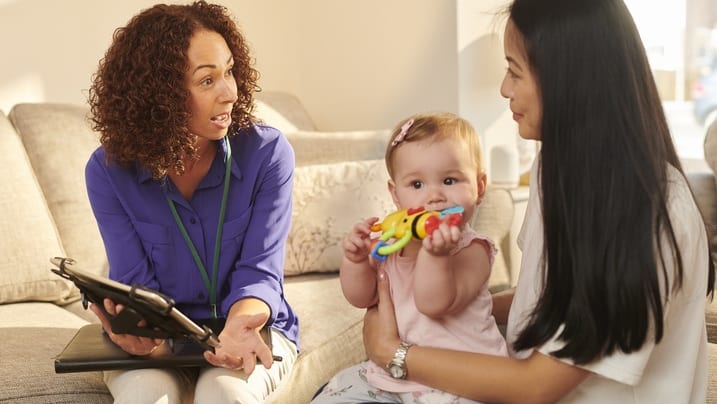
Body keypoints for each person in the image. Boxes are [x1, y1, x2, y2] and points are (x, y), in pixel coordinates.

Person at [360, 0, 716, 403]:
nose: (503, 88)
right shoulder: (560, 165)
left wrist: (394, 351)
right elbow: (546, 297)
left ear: (568, 80)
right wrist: (449, 310)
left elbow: (536, 386)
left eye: (514, 71)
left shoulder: (648, 212)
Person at [84, 1, 298, 403]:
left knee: (224, 394)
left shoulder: (268, 154)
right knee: (148, 394)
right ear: (159, 97)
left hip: (251, 326)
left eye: (230, 71)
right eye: (207, 81)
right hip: (159, 338)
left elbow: (260, 271)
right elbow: (136, 284)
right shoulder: (108, 171)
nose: (230, 93)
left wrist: (239, 329)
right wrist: (145, 339)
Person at [312, 113, 508, 404]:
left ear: (479, 187)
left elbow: (433, 304)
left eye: (450, 180)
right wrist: (356, 260)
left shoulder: (473, 249)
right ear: (395, 194)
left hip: (462, 380)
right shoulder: (390, 244)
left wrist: (434, 254)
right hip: (392, 377)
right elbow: (361, 297)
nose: (434, 197)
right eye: (417, 185)